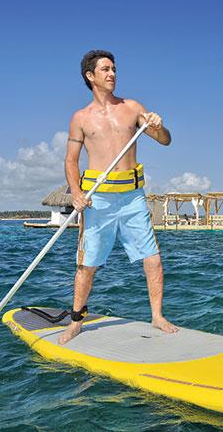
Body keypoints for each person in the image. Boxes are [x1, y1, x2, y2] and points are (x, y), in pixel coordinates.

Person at [59, 50, 178, 345]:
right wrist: (76, 193)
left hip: (132, 197)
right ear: (90, 76)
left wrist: (158, 126)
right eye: (105, 69)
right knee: (87, 264)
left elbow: (165, 141)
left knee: (152, 259)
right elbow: (71, 161)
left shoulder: (132, 108)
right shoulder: (80, 118)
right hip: (98, 201)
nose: (112, 74)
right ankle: (76, 321)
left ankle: (157, 316)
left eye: (114, 69)